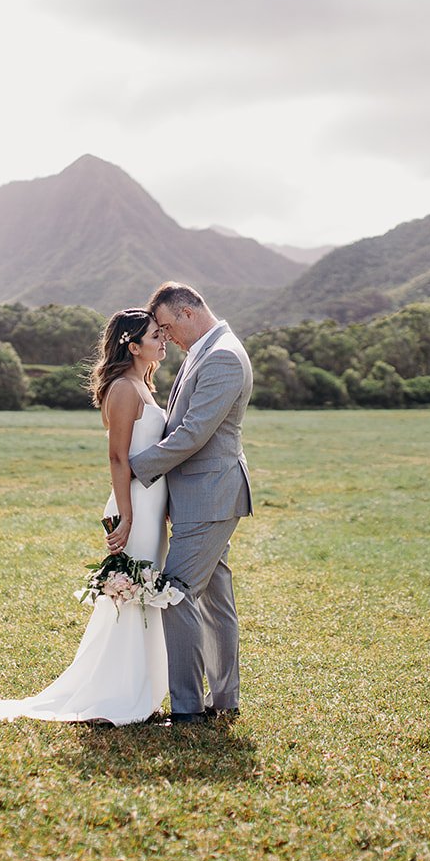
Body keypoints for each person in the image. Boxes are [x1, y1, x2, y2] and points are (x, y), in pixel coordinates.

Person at [0, 309, 173, 726]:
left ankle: (140, 692)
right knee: (129, 601)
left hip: (151, 508)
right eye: (157, 335)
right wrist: (126, 516)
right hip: (133, 507)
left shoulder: (145, 383)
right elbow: (118, 457)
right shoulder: (124, 389)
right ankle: (117, 696)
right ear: (133, 346)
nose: (164, 340)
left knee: (143, 600)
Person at [126, 282, 253, 724]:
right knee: (216, 599)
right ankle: (224, 699)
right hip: (200, 496)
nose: (165, 338)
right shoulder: (204, 349)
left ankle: (186, 710)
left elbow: (193, 434)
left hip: (210, 497)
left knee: (175, 594)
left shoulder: (222, 355)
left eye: (165, 326)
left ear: (185, 312)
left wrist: (134, 467)